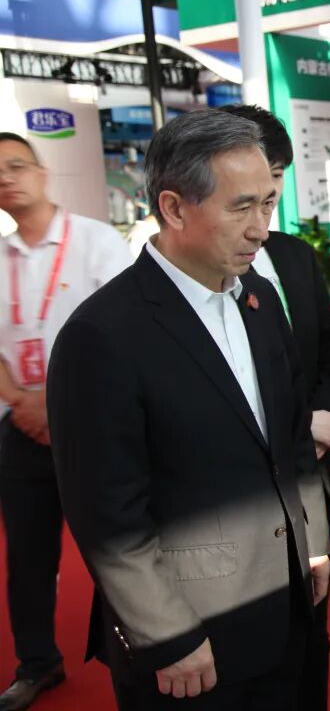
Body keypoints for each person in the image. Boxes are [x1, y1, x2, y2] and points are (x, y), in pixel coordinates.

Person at [47, 109, 330, 710]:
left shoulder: (259, 301)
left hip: (288, 605)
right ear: (174, 209)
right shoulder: (102, 335)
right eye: (242, 207)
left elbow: (291, 439)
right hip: (192, 639)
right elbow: (107, 513)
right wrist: (167, 634)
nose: (262, 229)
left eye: (268, 203)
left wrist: (312, 540)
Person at [220, 104, 330, 711]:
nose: (263, 206)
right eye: (249, 189)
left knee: (311, 624)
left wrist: (320, 424)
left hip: (309, 478)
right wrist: (300, 427)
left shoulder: (295, 257)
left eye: (273, 183)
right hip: (239, 494)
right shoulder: (202, 277)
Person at [0, 133, 130, 711]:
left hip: (91, 429)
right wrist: (21, 402)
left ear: (42, 171)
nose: (7, 178)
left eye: (16, 166)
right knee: (27, 558)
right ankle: (37, 664)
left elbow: (126, 336)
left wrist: (59, 406)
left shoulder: (96, 243)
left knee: (116, 549)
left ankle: (139, 652)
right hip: (20, 429)